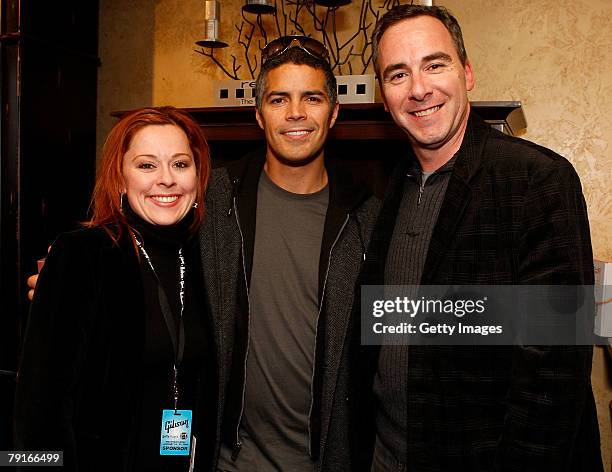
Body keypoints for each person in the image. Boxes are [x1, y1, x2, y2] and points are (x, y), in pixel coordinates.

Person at [355, 4, 603, 471]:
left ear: (467, 73)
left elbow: (553, 371)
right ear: (383, 96)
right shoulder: (392, 191)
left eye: (435, 64)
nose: (419, 89)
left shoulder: (536, 179)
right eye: (397, 74)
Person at [200, 37, 379, 471]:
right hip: (227, 461)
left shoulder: (368, 218)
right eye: (279, 99)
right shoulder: (213, 199)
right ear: (259, 114)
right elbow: (148, 252)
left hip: (327, 461)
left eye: (312, 98)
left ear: (334, 113)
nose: (296, 113)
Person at [15, 107, 216, 471]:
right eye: (146, 165)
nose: (167, 180)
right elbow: (39, 408)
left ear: (198, 176)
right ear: (120, 178)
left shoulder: (208, 256)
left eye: (181, 164)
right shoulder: (83, 254)